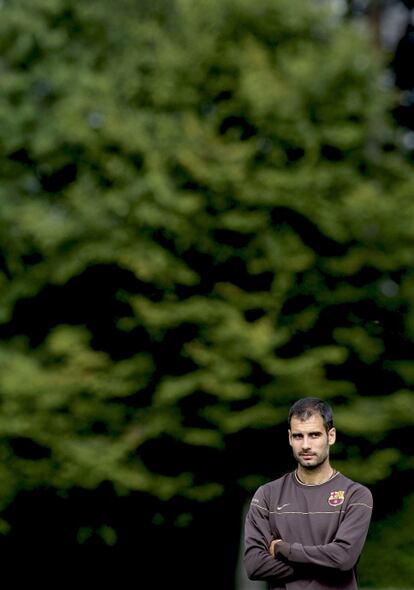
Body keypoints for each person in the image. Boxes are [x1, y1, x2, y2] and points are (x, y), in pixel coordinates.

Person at [243, 397, 373, 590]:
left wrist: (283, 549)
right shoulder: (267, 495)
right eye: (298, 436)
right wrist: (327, 562)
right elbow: (254, 566)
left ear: (331, 436)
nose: (305, 445)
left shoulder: (356, 496)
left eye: (314, 435)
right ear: (289, 438)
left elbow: (343, 558)